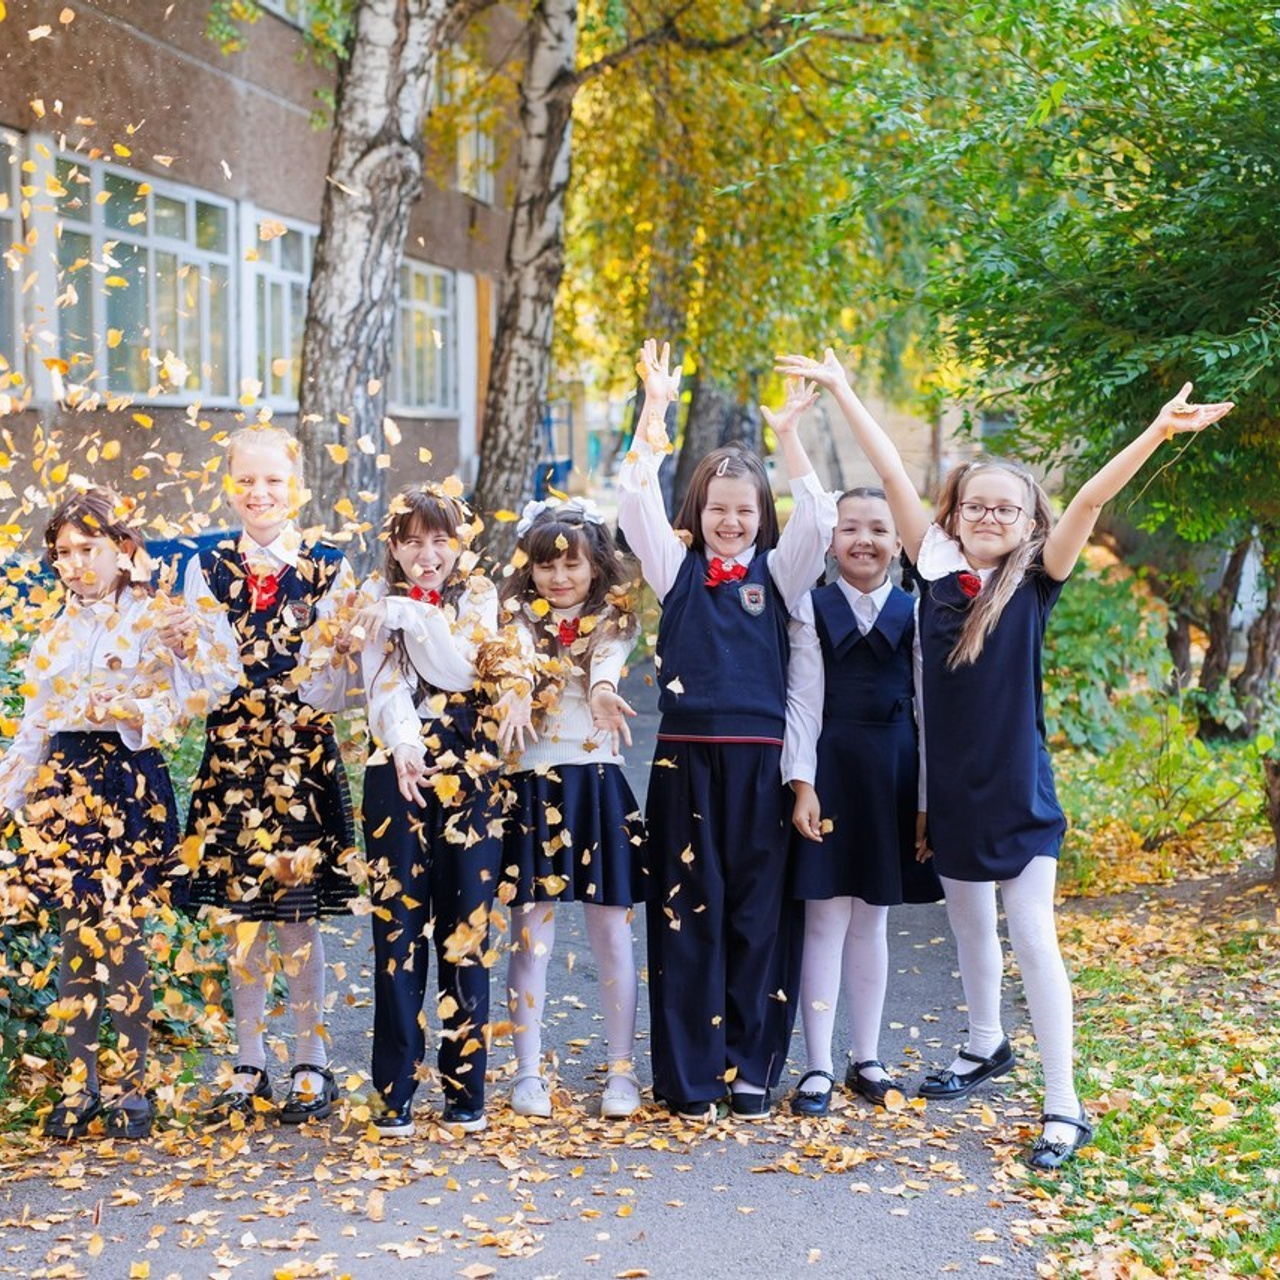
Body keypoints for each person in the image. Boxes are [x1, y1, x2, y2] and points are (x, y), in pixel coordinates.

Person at [777, 349, 1232, 1167]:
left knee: (1032, 940)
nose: (990, 517)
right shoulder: (933, 569)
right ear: (955, 513)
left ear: (1028, 523)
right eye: (977, 505)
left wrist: (1157, 433)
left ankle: (1065, 1104)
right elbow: (889, 467)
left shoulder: (1037, 578)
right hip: (948, 795)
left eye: (1007, 509)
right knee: (967, 930)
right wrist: (843, 389)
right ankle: (985, 1045)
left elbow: (1092, 497)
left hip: (1018, 795)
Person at [617, 339, 838, 1121]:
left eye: (745, 511)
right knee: (685, 915)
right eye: (718, 509)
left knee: (756, 917)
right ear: (699, 512)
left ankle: (751, 1071)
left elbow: (821, 515)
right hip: (683, 762)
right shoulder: (671, 570)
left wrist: (788, 439)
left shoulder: (781, 575)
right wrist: (654, 408)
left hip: (760, 768)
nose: (731, 522)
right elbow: (634, 491)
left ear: (760, 516)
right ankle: (691, 1077)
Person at [165, 424, 358, 1126]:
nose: (259, 492)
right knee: (242, 919)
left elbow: (336, 686)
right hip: (235, 757)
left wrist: (324, 669)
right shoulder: (208, 566)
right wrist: (187, 651)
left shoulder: (330, 566)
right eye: (246, 480)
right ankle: (250, 1062)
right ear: (230, 485)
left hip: (300, 757)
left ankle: (311, 1061)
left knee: (297, 922)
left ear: (295, 486)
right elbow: (208, 682)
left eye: (273, 480)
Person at [0, 488, 182, 1140]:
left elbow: (176, 706)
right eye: (62, 554)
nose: (74, 564)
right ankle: (81, 1086)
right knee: (78, 938)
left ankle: (134, 1087)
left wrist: (129, 708)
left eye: (88, 549)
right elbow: (33, 729)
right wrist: (7, 799)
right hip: (66, 786)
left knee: (125, 937)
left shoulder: (151, 623)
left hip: (127, 782)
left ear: (121, 548)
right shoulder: (52, 636)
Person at [345, 485, 503, 1136]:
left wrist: (410, 615)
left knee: (466, 929)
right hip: (397, 770)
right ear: (393, 547)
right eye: (412, 540)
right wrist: (405, 743)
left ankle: (466, 1087)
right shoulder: (371, 605)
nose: (427, 553)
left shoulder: (483, 598)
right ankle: (396, 1090)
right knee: (398, 934)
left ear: (460, 541)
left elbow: (464, 669)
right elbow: (380, 685)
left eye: (440, 539)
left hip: (472, 769)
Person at [783, 487, 942, 1117]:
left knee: (874, 917)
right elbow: (803, 702)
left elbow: (930, 710)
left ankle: (866, 1057)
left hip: (895, 776)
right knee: (823, 918)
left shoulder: (918, 612)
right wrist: (802, 783)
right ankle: (818, 1063)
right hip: (830, 769)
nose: (864, 540)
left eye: (878, 528)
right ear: (831, 540)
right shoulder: (809, 608)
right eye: (850, 527)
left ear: (898, 543)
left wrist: (928, 801)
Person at [490, 497, 646, 1121]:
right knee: (531, 935)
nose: (558, 578)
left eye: (572, 567)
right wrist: (519, 692)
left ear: (594, 568)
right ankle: (527, 1071)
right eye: (546, 566)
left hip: (597, 781)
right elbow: (513, 669)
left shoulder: (617, 618)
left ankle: (622, 1070)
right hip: (530, 783)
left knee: (611, 930)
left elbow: (606, 665)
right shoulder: (509, 623)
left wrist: (603, 689)